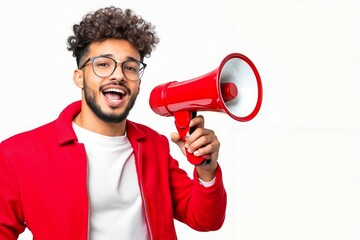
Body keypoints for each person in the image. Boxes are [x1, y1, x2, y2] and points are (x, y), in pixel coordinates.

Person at [0, 6, 226, 240]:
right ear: (79, 77)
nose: (118, 75)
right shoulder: (18, 154)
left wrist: (206, 169)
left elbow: (205, 219)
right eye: (103, 64)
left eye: (130, 67)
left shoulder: (154, 146)